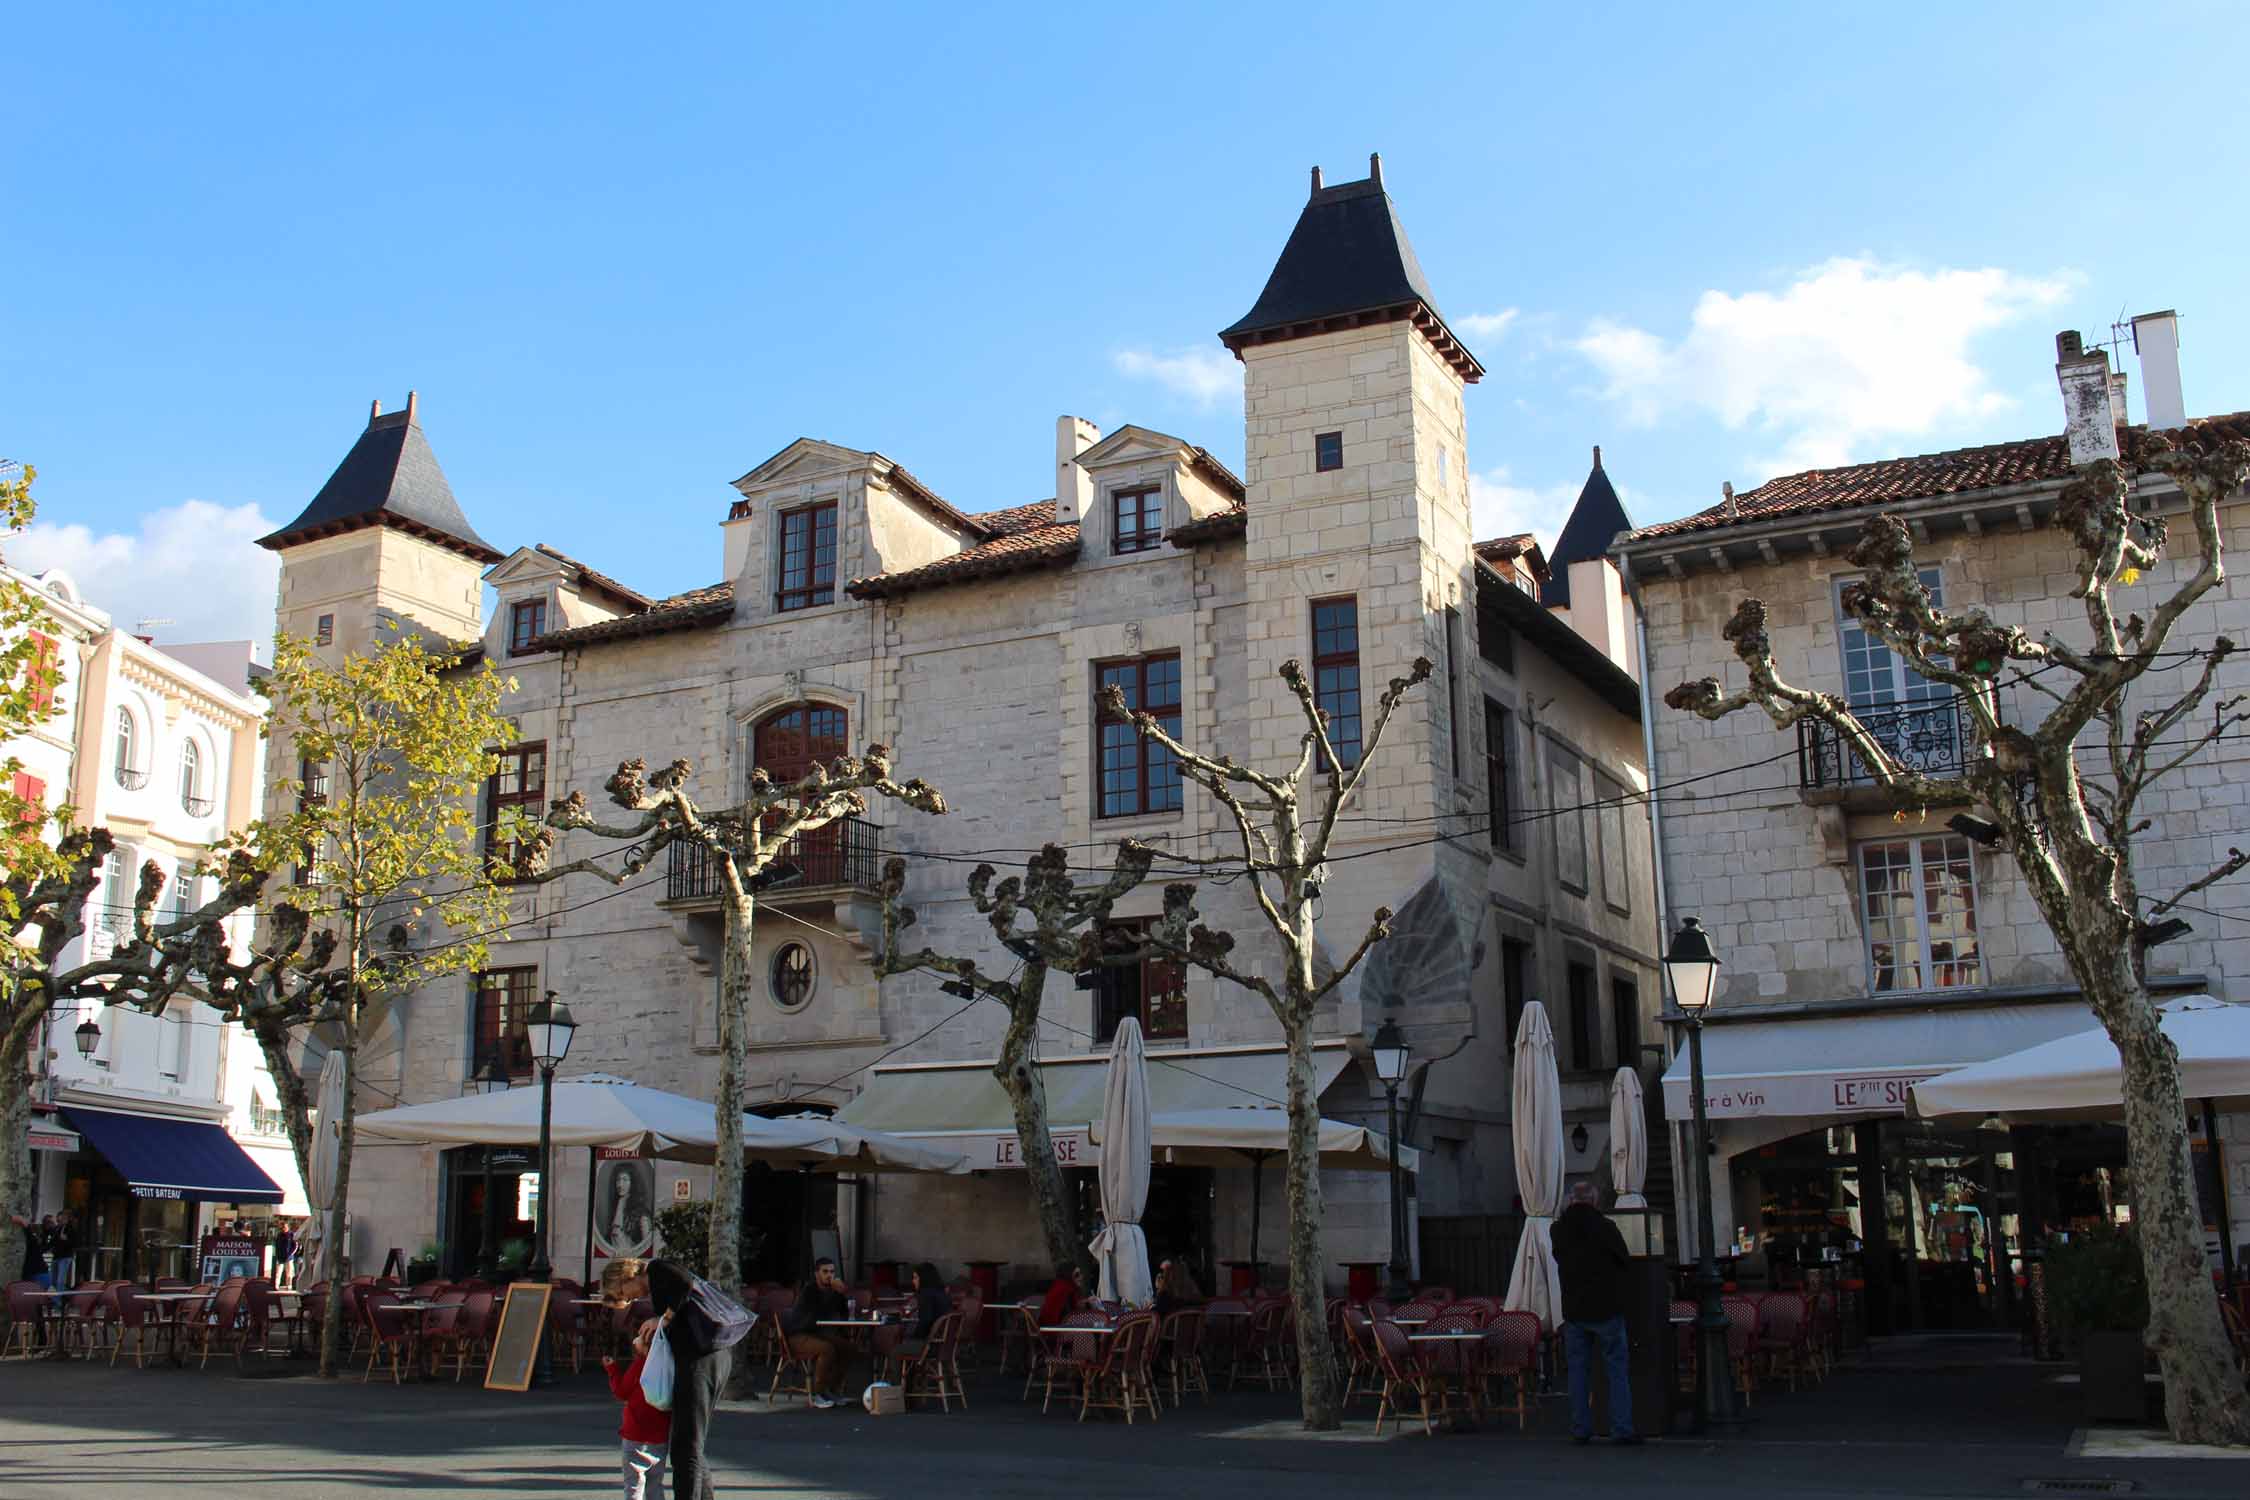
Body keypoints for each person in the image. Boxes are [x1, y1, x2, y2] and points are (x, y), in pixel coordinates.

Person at [602, 1255, 750, 1500]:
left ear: (625, 1275)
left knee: (686, 1448)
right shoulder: (658, 1282)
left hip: (702, 1358)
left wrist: (663, 1318)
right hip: (708, 1355)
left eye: (623, 1292)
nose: (630, 1299)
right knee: (690, 1445)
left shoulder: (657, 1269)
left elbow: (684, 1284)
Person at [1551, 1179, 1639, 1446]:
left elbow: (1558, 1258)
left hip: (1575, 1309)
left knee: (1578, 1371)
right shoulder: (1606, 1227)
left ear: (1571, 1200)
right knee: (1616, 1369)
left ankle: (1581, 1428)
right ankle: (1621, 1428)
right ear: (1593, 1200)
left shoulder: (1558, 1230)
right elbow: (1624, 1261)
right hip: (1606, 1307)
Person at [604, 1316, 671, 1500]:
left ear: (646, 1344)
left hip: (635, 1436)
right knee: (655, 1486)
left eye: (640, 1336)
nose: (636, 1339)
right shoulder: (668, 1367)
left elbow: (621, 1391)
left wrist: (612, 1369)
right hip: (660, 1438)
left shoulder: (640, 1366)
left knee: (634, 1487)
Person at [780, 1256, 853, 1409]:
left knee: (848, 1348)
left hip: (816, 1333)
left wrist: (842, 1294)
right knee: (827, 1349)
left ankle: (833, 1390)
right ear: (817, 1274)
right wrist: (833, 1293)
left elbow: (844, 1314)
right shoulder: (809, 1290)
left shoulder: (833, 1292)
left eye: (832, 1272)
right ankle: (818, 1393)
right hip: (798, 1334)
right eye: (825, 1271)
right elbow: (815, 1314)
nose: (829, 1275)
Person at [890, 1262, 950, 1364]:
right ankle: (913, 1378)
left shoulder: (926, 1295)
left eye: (916, 1277)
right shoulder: (943, 1294)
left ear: (924, 1278)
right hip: (945, 1345)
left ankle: (898, 1380)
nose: (913, 1281)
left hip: (930, 1347)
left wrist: (913, 1337)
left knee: (895, 1351)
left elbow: (926, 1321)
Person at [1037, 1263, 1084, 1327]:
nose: (1081, 1277)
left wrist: (1086, 1302)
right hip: (1058, 1331)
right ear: (1068, 1275)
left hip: (1051, 1329)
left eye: (1080, 1273)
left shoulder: (1060, 1286)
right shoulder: (1065, 1290)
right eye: (1077, 1275)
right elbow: (1072, 1315)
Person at [273, 1221, 297, 1289]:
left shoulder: (291, 1234)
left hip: (289, 1257)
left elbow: (295, 1245)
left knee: (289, 1273)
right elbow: (277, 1245)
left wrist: (290, 1254)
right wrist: (277, 1255)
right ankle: (276, 1285)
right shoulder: (279, 1235)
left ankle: (289, 1285)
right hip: (280, 1257)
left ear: (288, 1227)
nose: (283, 1228)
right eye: (282, 1227)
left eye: (285, 1227)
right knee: (278, 1272)